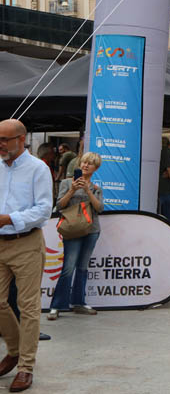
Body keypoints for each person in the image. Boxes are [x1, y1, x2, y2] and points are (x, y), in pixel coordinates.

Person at [0, 119, 54, 391]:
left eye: (5, 139)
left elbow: (44, 210)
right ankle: (14, 350)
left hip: (27, 243)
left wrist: (9, 218)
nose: (0, 144)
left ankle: (25, 367)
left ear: (22, 139)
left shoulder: (38, 168)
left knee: (28, 307)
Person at [48, 152, 103, 320]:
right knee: (68, 267)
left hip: (91, 229)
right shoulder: (66, 183)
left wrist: (88, 191)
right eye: (84, 162)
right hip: (72, 229)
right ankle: (57, 305)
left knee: (83, 267)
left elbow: (99, 208)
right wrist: (72, 190)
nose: (85, 165)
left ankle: (79, 302)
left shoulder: (96, 188)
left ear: (95, 168)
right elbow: (59, 205)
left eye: (90, 164)